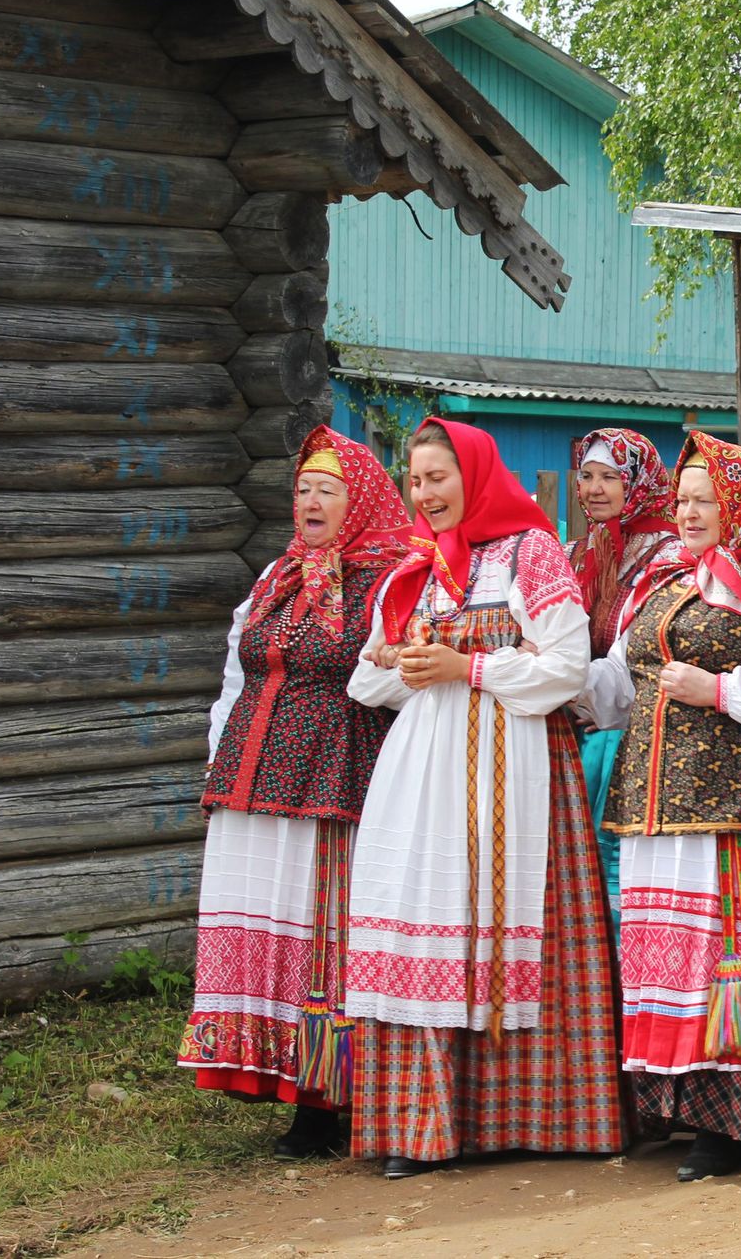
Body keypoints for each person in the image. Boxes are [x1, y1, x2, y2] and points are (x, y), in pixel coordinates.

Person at [344, 418, 622, 1178]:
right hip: (427, 770)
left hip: (515, 764)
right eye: (415, 479)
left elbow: (567, 664)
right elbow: (367, 684)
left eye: (438, 478)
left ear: (473, 476)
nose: (424, 493)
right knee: (425, 916)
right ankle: (424, 1125)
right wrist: (397, 660)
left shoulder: (528, 552)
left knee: (507, 917)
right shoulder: (413, 568)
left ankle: (538, 1117)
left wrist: (466, 670)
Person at [582, 433, 741, 1181]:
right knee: (668, 954)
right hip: (658, 799)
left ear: (740, 504)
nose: (691, 512)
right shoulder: (665, 580)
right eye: (684, 500)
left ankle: (732, 1122)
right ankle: (676, 1105)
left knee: (734, 953)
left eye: (707, 499)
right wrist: (554, 677)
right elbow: (620, 684)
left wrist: (722, 690)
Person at [179, 428, 411, 1158]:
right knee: (257, 924)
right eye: (304, 488)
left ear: (362, 501)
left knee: (318, 936)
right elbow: (234, 674)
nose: (310, 501)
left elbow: (395, 679)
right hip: (253, 778)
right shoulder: (276, 577)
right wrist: (221, 760)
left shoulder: (389, 580)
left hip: (331, 780)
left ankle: (325, 1102)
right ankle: (267, 1074)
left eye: (328, 489)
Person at [565, 428, 676, 929]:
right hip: (575, 729)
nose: (594, 488)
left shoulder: (667, 557)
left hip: (632, 736)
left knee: (615, 867)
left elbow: (638, 656)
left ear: (640, 482)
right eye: (587, 476)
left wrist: (560, 683)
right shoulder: (577, 553)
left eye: (610, 476)